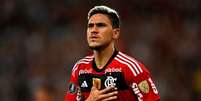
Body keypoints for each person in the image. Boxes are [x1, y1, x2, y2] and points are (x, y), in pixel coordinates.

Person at [65, 5, 160, 101]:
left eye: (101, 25)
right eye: (90, 26)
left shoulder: (131, 68)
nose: (93, 30)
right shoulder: (79, 68)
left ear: (115, 33)